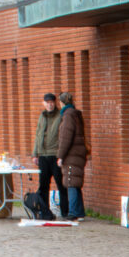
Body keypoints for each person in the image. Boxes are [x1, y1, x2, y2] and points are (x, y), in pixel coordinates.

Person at [55, 90, 88, 220]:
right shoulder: (76, 114)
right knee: (75, 182)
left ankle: (73, 212)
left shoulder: (67, 115)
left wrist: (60, 156)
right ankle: (80, 212)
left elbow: (65, 138)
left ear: (62, 102)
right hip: (78, 154)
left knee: (70, 182)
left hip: (71, 155)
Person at [32, 92, 64, 220]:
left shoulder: (60, 115)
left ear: (55, 103)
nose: (50, 105)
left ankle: (66, 212)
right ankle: (44, 211)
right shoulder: (42, 116)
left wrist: (61, 155)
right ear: (43, 103)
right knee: (43, 185)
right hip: (43, 156)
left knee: (61, 185)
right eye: (47, 102)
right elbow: (38, 135)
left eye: (52, 102)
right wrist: (35, 154)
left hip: (55, 155)